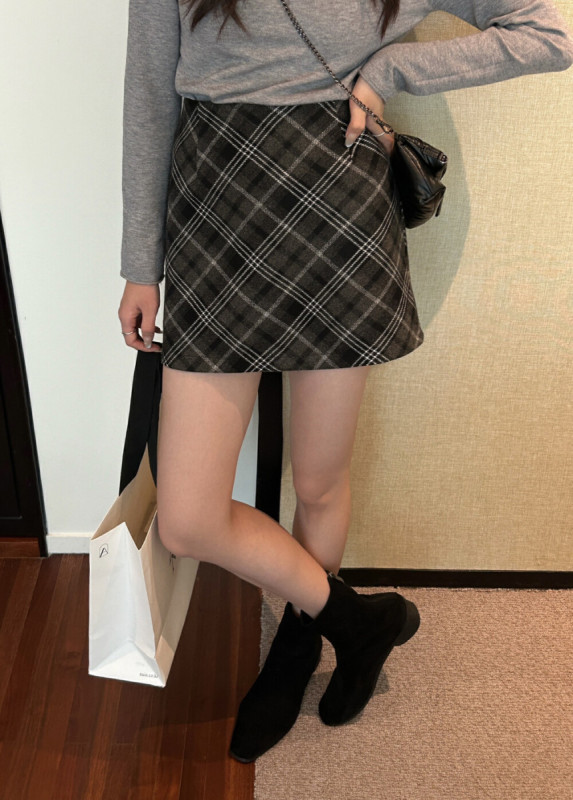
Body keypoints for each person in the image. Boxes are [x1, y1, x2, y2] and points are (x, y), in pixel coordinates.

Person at [117, 0, 573, 763]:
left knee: (319, 480)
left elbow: (548, 34)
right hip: (213, 209)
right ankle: (357, 621)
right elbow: (147, 95)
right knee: (187, 518)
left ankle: (301, 639)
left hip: (337, 212)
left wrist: (392, 67)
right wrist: (141, 264)